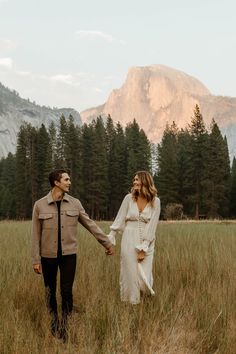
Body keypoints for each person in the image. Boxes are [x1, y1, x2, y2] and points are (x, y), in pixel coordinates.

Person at [31, 169, 114, 341]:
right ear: (56, 182)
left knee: (66, 291)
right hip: (47, 256)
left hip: (69, 255)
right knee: (50, 290)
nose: (70, 182)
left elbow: (90, 224)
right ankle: (53, 323)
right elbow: (35, 235)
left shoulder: (75, 204)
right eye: (66, 179)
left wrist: (106, 242)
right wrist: (35, 259)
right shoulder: (39, 205)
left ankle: (65, 326)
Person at [107, 171, 160, 305]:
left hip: (147, 241)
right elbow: (119, 219)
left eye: (137, 180)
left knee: (144, 276)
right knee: (129, 272)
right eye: (134, 180)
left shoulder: (155, 201)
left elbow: (153, 226)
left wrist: (144, 248)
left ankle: (143, 299)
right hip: (129, 238)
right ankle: (131, 303)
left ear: (145, 181)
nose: (134, 182)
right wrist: (110, 239)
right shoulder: (128, 198)